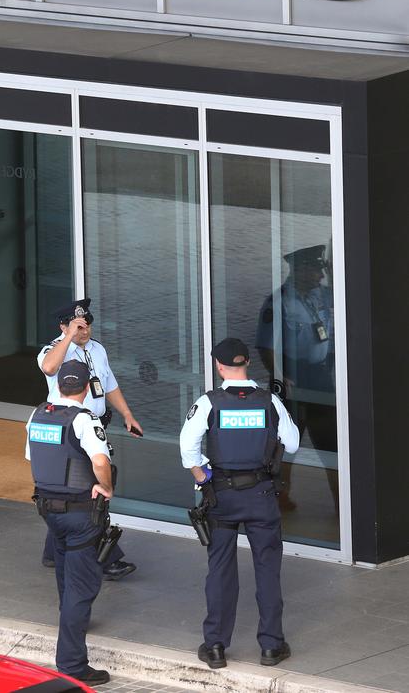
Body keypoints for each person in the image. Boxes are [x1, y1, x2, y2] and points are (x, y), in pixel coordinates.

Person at [179, 337, 300, 670]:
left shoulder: (209, 402)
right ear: (247, 363)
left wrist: (203, 477)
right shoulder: (269, 401)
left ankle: (215, 646)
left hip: (222, 496)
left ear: (219, 366)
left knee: (220, 569)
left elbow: (187, 447)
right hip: (262, 495)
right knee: (268, 570)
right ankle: (272, 647)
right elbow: (292, 444)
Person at [37, 297, 141, 581]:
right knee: (89, 493)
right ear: (64, 326)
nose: (85, 332)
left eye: (87, 326)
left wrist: (127, 414)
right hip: (69, 431)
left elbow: (109, 384)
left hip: (94, 427)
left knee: (73, 491)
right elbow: (48, 368)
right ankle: (107, 558)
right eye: (79, 327)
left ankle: (52, 551)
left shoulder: (97, 350)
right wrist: (69, 337)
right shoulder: (54, 350)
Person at [26, 360, 114, 685]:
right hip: (80, 512)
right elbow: (100, 460)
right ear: (86, 388)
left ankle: (69, 621)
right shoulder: (84, 420)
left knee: (64, 572)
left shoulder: (37, 414)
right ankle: (72, 664)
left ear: (60, 385)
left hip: (49, 509)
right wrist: (106, 487)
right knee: (83, 584)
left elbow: (32, 457)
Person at [255, 244, 337, 509]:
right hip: (291, 378)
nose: (321, 277)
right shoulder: (278, 302)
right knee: (286, 444)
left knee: (332, 444)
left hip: (320, 378)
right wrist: (280, 377)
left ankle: (342, 503)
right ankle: (280, 498)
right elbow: (265, 346)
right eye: (316, 271)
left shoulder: (321, 296)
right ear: (300, 269)